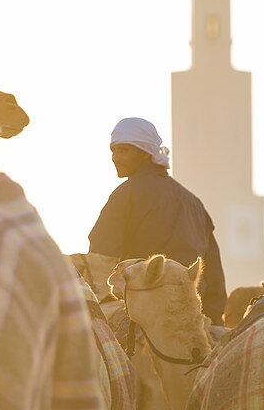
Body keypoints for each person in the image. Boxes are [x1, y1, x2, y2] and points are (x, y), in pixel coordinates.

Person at [89, 117, 227, 327]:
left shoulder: (125, 196)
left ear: (145, 153)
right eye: (113, 151)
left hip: (141, 322)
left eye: (124, 150)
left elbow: (100, 261)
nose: (115, 158)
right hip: (193, 321)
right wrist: (213, 324)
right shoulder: (193, 203)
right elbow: (214, 277)